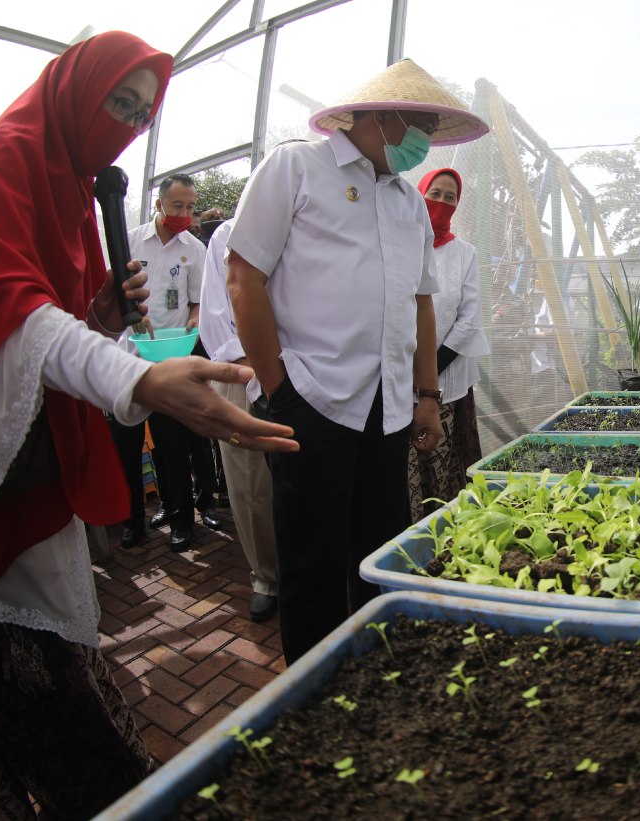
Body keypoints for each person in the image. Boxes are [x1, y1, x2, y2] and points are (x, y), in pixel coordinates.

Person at [0, 31, 296, 820]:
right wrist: (138, 375)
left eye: (143, 115)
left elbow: (55, 319)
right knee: (19, 698)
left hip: (30, 464)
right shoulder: (2, 167)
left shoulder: (73, 187)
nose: (129, 126)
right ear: (74, 89)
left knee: (62, 679)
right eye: (119, 102)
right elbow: (9, 315)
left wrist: (102, 314)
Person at [226, 58, 490, 664]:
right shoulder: (297, 167)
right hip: (312, 398)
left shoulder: (406, 203)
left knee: (378, 550)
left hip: (389, 406)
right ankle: (314, 694)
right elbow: (244, 274)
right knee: (311, 564)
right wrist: (278, 387)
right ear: (379, 113)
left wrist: (427, 395)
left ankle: (378, 673)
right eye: (418, 122)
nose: (422, 140)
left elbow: (421, 303)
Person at [109, 173, 210, 551]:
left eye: (190, 206)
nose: (184, 214)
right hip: (130, 359)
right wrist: (132, 313)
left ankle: (183, 520)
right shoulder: (130, 242)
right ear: (159, 205)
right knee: (127, 446)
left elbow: (197, 300)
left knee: (173, 443)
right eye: (177, 206)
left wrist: (195, 319)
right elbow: (109, 295)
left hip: (172, 359)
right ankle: (132, 521)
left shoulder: (194, 249)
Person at [199, 215, 280, 621]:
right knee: (250, 484)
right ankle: (266, 576)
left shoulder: (324, 224)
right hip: (243, 370)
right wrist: (260, 368)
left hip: (310, 373)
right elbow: (216, 313)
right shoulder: (228, 234)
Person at [407, 168, 490, 522]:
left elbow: (469, 319)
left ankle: (445, 533)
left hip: (447, 382)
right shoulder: (399, 245)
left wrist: (430, 369)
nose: (441, 203)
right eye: (435, 194)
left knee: (446, 469)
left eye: (450, 197)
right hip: (397, 378)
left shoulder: (464, 253)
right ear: (419, 195)